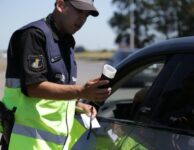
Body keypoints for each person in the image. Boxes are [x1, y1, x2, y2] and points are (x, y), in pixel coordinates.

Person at [1, 0, 111, 149]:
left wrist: (78, 106)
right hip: (26, 144)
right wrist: (82, 91)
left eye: (86, 15)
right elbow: (34, 87)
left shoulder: (67, 42)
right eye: (79, 11)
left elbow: (54, 95)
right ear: (60, 5)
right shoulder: (33, 35)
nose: (83, 19)